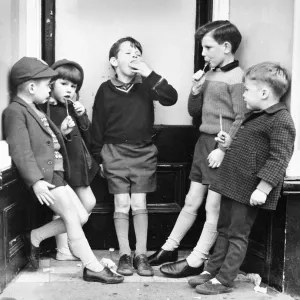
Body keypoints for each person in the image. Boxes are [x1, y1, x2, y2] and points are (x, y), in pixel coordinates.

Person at [3, 57, 123, 284]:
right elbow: (21, 151)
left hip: (56, 175)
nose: (50, 89)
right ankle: (92, 266)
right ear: (31, 87)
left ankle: (35, 236)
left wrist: (63, 132)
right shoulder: (15, 111)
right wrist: (35, 181)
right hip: (45, 178)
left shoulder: (33, 110)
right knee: (72, 219)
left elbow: (49, 142)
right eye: (47, 85)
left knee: (79, 215)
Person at [148, 20, 246, 278]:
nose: (203, 54)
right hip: (203, 143)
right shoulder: (210, 73)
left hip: (220, 146)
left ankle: (196, 259)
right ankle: (169, 248)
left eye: (207, 47)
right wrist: (195, 89)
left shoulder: (237, 77)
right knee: (192, 200)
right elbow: (195, 112)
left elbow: (241, 117)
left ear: (226, 47)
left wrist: (224, 150)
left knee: (212, 207)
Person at [193, 62, 296, 295]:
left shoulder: (280, 120)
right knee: (223, 229)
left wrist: (263, 188)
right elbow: (249, 148)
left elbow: (279, 158)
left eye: (247, 89)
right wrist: (227, 143)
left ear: (264, 93)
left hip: (249, 190)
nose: (243, 94)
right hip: (232, 184)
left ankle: (225, 280)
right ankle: (213, 270)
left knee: (238, 234)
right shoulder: (256, 115)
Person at [91, 37, 178, 277]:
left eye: (137, 53)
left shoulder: (146, 86)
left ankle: (141, 254)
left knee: (139, 203)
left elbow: (171, 97)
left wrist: (150, 73)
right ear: (114, 61)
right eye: (128, 53)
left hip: (143, 152)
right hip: (114, 152)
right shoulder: (104, 89)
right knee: (122, 204)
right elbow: (97, 124)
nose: (134, 56)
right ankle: (124, 254)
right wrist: (99, 156)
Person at [44, 59, 99, 261]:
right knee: (67, 209)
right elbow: (50, 140)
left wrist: (83, 117)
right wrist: (63, 132)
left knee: (86, 204)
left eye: (73, 86)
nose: (69, 90)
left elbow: (88, 136)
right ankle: (64, 249)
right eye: (63, 84)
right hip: (63, 167)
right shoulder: (46, 109)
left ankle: (65, 243)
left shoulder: (70, 106)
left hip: (78, 165)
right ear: (51, 84)